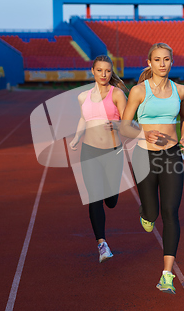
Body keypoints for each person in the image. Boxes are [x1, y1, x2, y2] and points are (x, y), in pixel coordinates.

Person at [120, 43, 184, 294]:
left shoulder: (180, 90)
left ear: (172, 62)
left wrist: (183, 137)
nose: (162, 64)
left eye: (167, 59)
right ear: (149, 63)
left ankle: (167, 274)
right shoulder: (140, 91)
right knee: (153, 213)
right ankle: (146, 212)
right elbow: (124, 125)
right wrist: (143, 133)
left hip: (172, 155)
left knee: (171, 212)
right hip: (144, 157)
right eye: (157, 60)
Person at [69, 55, 128, 263]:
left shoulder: (117, 94)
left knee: (111, 201)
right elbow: (84, 118)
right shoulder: (83, 97)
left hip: (113, 152)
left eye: (108, 71)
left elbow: (129, 122)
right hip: (89, 152)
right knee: (94, 197)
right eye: (100, 70)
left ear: (111, 72)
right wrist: (77, 136)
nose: (104, 74)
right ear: (92, 71)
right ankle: (102, 244)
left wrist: (118, 125)